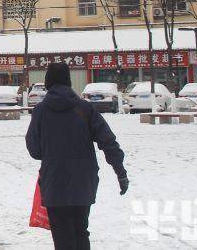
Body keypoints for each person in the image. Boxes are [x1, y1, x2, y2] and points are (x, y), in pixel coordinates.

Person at [25, 63, 129, 250]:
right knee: (81, 231)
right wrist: (120, 172)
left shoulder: (40, 111)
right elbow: (108, 142)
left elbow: (34, 150)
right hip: (83, 183)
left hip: (54, 182)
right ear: (68, 82)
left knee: (62, 236)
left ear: (48, 83)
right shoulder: (85, 109)